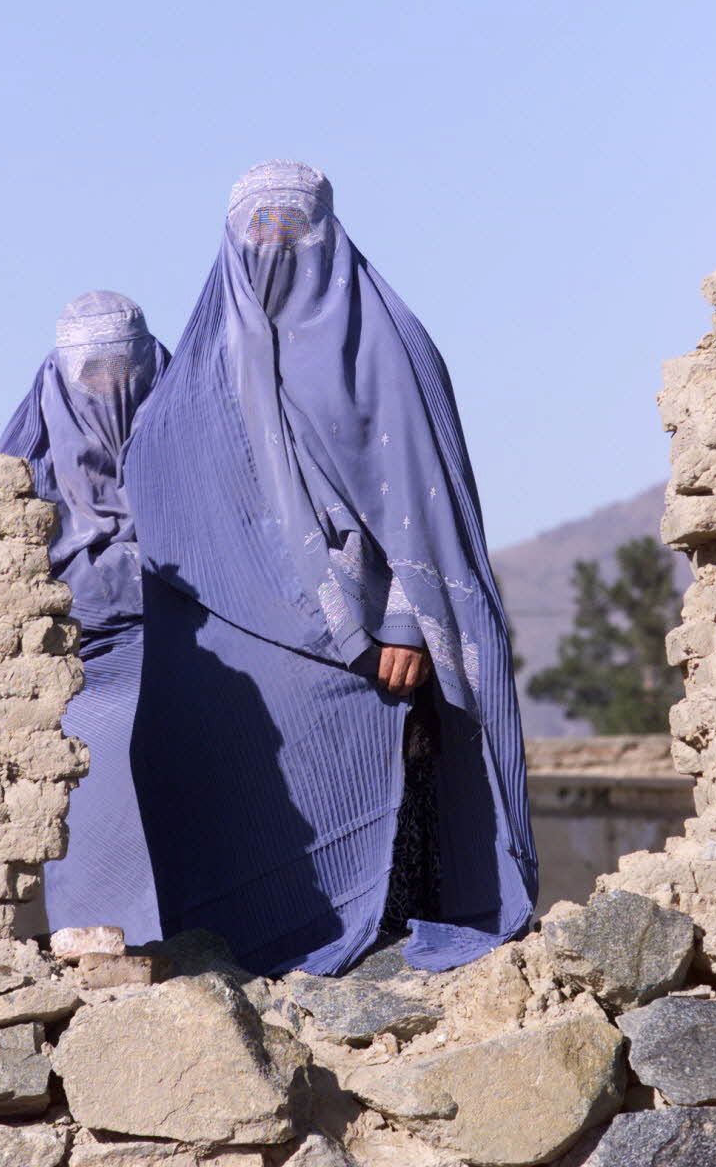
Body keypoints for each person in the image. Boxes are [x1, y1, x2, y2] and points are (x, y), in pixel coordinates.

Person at [126, 162, 537, 974]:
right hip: (258, 656)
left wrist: (403, 619)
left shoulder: (390, 346)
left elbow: (424, 502)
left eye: (294, 225)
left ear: (329, 229)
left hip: (378, 650)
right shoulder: (206, 367)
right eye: (257, 229)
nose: (275, 246)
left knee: (389, 857)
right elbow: (168, 493)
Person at [0, 290, 170, 944]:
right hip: (80, 681)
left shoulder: (197, 447)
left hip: (190, 673)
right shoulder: (24, 479)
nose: (108, 388)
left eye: (121, 370)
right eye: (90, 374)